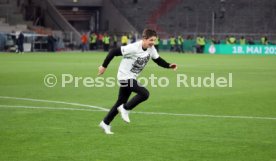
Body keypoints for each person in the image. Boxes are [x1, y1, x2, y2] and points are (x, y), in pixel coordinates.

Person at [98, 29, 177, 134]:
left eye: (154, 40)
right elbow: (113, 52)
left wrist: (169, 65)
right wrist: (104, 66)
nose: (153, 43)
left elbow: (158, 60)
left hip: (131, 77)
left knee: (120, 102)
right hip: (124, 77)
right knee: (144, 93)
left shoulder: (151, 49)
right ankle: (125, 109)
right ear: (144, 38)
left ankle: (105, 123)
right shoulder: (133, 47)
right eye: (151, 40)